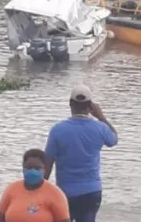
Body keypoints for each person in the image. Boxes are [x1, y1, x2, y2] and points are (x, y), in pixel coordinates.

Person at [44, 85, 118, 222]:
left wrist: (40, 190)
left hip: (65, 192)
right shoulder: (100, 128)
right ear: (90, 106)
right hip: (92, 191)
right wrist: (101, 117)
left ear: (70, 103)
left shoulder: (58, 130)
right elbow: (114, 140)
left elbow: (47, 164)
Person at [0, 148, 70, 222]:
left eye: (37, 168)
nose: (33, 171)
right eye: (29, 167)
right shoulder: (12, 189)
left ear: (44, 169)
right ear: (23, 168)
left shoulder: (55, 193)